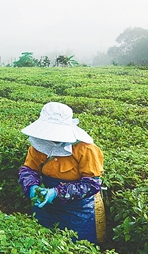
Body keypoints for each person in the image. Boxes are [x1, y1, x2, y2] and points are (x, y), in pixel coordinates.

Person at [18, 102, 105, 244]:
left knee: (75, 246)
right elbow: (29, 169)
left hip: (76, 211)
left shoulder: (86, 149)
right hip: (45, 207)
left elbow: (91, 185)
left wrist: (57, 192)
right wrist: (31, 186)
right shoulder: (39, 145)